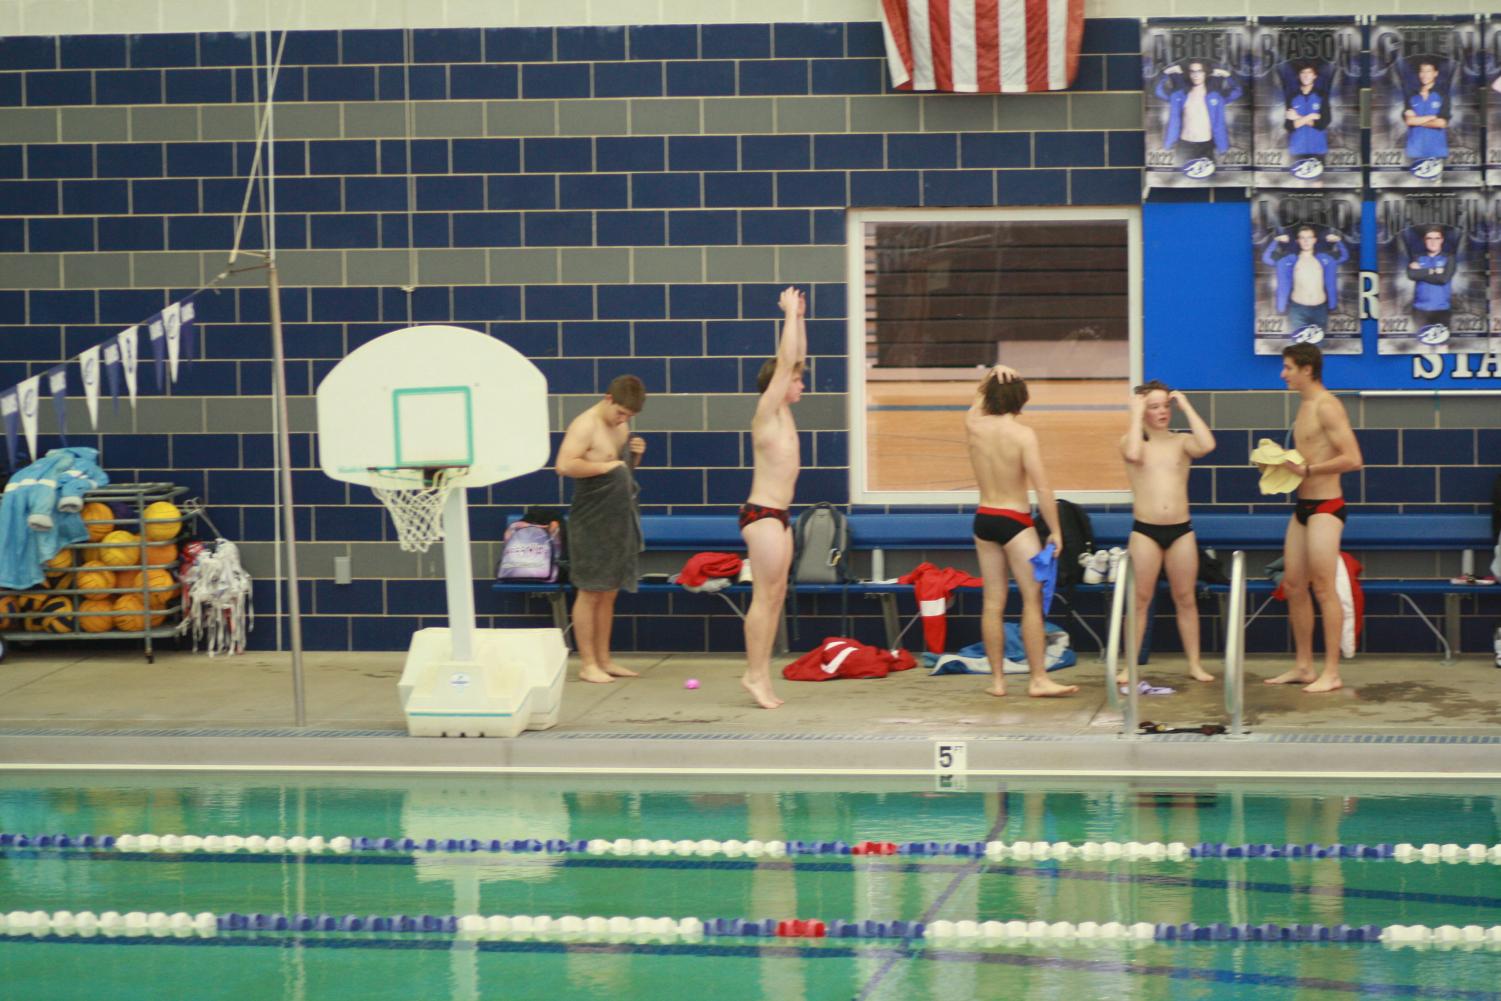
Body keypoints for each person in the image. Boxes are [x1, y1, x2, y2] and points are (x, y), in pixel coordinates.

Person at [964, 365, 1079, 699]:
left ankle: (998, 681)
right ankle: (1038, 678)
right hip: (1014, 521)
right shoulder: (1023, 435)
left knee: (992, 602)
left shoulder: (973, 425)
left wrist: (990, 375)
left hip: (984, 518)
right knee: (1031, 599)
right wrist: (1055, 531)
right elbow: (1043, 489)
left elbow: (977, 400)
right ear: (1020, 401)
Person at [1265, 344, 1363, 693]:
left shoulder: (1327, 406)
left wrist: (1308, 469)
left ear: (1308, 370)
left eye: (1288, 367)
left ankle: (1332, 672)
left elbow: (1353, 458)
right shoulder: (1304, 404)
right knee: (1294, 586)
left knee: (1323, 588)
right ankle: (1305, 666)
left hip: (1326, 508)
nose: (1283, 374)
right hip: (1303, 508)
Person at [1118, 381, 1217, 684]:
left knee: (1185, 598)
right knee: (1140, 599)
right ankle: (1129, 665)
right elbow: (1134, 454)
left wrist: (1186, 406)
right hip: (1145, 531)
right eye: (1154, 406)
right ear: (1142, 410)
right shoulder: (1130, 441)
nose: (1162, 412)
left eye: (1165, 406)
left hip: (1180, 531)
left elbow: (1208, 445)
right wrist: (1135, 415)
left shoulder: (1181, 442)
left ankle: (1195, 664)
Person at [554, 374, 647, 685]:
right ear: (608, 398)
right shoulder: (586, 424)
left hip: (617, 516)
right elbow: (564, 465)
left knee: (608, 592)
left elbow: (621, 474)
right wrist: (603, 466)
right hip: (590, 517)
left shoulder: (621, 426)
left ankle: (604, 660)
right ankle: (587, 663)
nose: (623, 419)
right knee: (590, 591)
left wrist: (634, 457)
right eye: (620, 412)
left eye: (629, 416)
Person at [739, 287, 806, 710]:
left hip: (779, 517)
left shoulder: (785, 414)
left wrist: (799, 317)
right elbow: (786, 362)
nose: (801, 382)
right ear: (778, 386)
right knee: (765, 595)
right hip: (762, 516)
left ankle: (760, 673)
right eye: (797, 380)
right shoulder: (766, 412)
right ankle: (754, 674)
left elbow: (794, 356)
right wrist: (786, 315)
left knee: (776, 594)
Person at [1263, 225, 1348, 336]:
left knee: (1317, 346)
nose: (1306, 241)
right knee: (1298, 347)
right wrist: (1276, 240)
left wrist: (1338, 241)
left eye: (1309, 237)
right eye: (1302, 238)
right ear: (1298, 241)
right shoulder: (1289, 259)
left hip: (1320, 309)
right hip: (1298, 309)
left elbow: (1344, 256)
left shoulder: (1325, 258)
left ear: (1314, 240)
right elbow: (1267, 258)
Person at [1155, 60, 1243, 165]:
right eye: (1192, 71)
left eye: (1200, 71)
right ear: (1188, 74)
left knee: (1207, 179)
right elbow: (1159, 91)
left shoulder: (1216, 96)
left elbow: (1237, 91)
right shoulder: (1179, 95)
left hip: (1206, 145)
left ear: (1206, 73)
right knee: (1182, 179)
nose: (1196, 75)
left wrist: (1228, 76)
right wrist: (1165, 74)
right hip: (1185, 144)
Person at [1396, 56, 1451, 164]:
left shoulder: (1442, 94)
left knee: (1435, 180)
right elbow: (1409, 121)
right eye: (1422, 71)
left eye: (1428, 71)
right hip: (1415, 151)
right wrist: (1432, 117)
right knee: (1413, 181)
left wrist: (1417, 120)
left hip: (1437, 151)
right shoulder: (1411, 95)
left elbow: (1441, 123)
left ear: (1435, 73)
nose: (1424, 75)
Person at [1279, 60, 1335, 165]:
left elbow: (1323, 124)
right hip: (1296, 149)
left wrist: (1297, 117)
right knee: (1297, 181)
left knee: (1317, 181)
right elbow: (1289, 126)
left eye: (1309, 73)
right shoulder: (1292, 97)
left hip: (1318, 149)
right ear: (1299, 76)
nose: (1306, 76)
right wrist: (1311, 116)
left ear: (1314, 76)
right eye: (1303, 73)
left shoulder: (1322, 96)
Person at [1405, 226, 1455, 333]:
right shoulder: (1417, 257)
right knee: (1422, 346)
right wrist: (1432, 271)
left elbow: (1443, 279)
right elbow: (1411, 275)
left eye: (1436, 238)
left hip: (1441, 309)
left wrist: (1421, 272)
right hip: (1420, 310)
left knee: (1442, 346)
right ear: (1424, 240)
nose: (1433, 242)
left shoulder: (1449, 258)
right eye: (1429, 238)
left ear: (1442, 240)